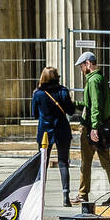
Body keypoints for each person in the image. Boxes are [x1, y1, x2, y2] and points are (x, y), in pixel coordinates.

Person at [74, 51, 110, 205]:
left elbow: (96, 106)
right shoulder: (100, 79)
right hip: (100, 125)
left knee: (86, 161)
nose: (81, 69)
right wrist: (75, 105)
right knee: (105, 160)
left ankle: (83, 194)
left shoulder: (93, 81)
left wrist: (93, 127)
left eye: (81, 66)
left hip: (93, 128)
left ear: (88, 64)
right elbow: (91, 104)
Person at [31, 66, 74, 207]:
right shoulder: (63, 91)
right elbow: (71, 110)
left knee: (42, 164)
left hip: (45, 132)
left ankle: (39, 196)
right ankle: (66, 195)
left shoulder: (38, 94)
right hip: (62, 130)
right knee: (63, 162)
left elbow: (34, 114)